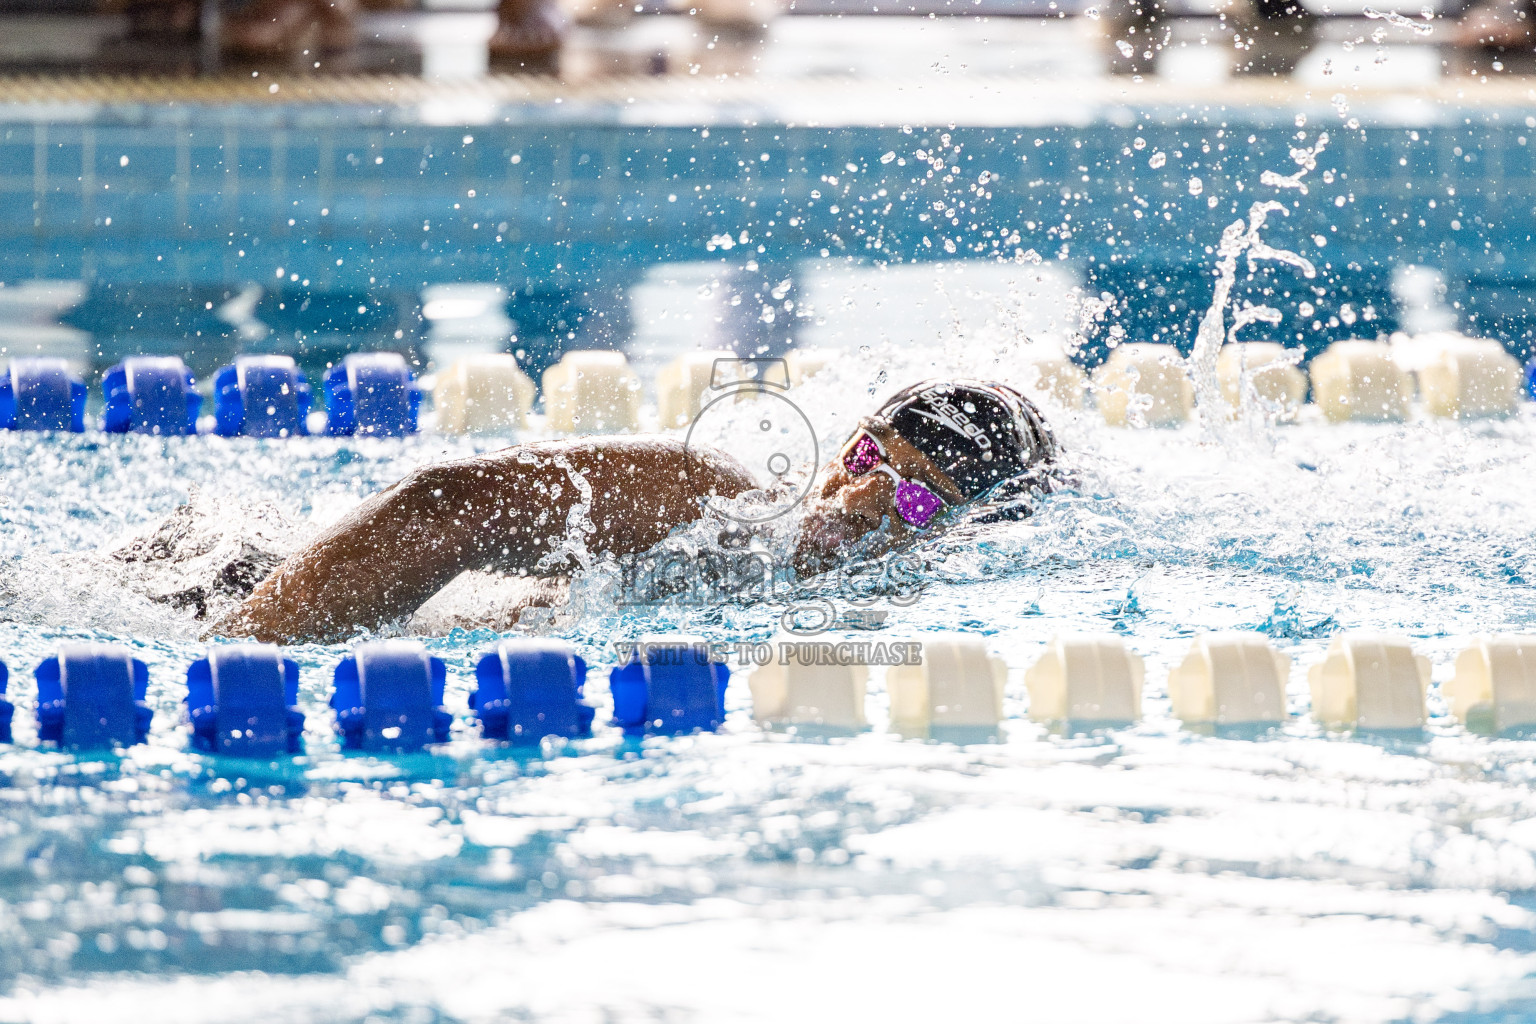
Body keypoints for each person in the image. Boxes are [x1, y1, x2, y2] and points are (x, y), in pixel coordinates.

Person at [210, 379, 1061, 644]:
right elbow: (445, 503)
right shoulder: (718, 500)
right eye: (869, 458)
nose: (858, 501)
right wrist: (236, 663)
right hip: (228, 587)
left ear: (966, 535)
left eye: (914, 500)